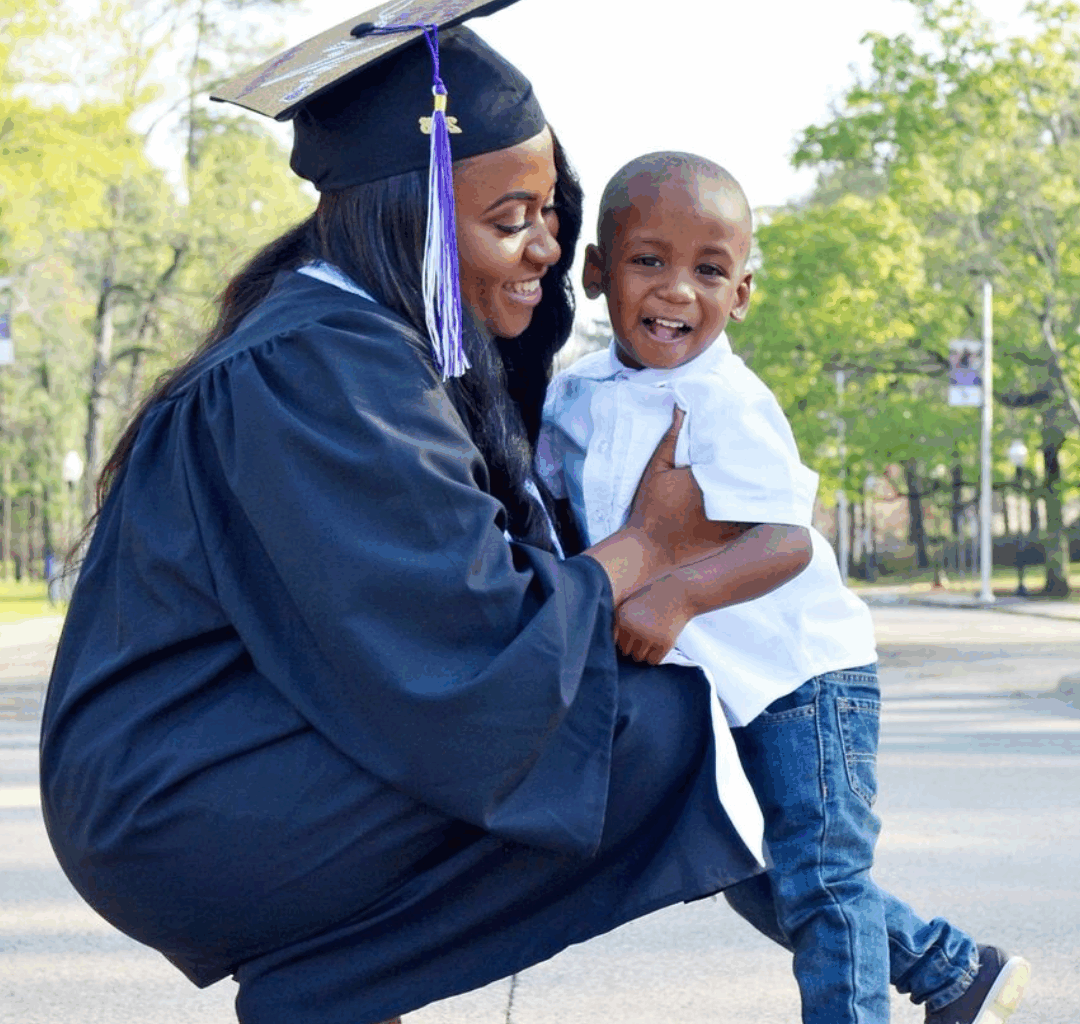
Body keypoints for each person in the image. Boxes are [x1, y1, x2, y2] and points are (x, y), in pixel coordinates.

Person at [38, 10, 766, 1024]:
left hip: (203, 766)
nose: (549, 249)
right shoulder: (321, 365)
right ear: (409, 220)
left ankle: (325, 997)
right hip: (176, 798)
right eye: (510, 218)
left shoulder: (351, 337)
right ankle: (322, 998)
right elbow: (472, 640)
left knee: (630, 715)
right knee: (645, 728)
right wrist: (647, 545)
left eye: (552, 212)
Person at [536, 150, 1031, 1024]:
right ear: (596, 272)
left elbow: (784, 542)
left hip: (806, 679)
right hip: (716, 689)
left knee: (822, 881)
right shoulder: (575, 397)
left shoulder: (726, 401)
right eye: (650, 261)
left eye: (710, 270)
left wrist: (678, 595)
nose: (678, 291)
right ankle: (954, 974)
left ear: (744, 293)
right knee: (746, 872)